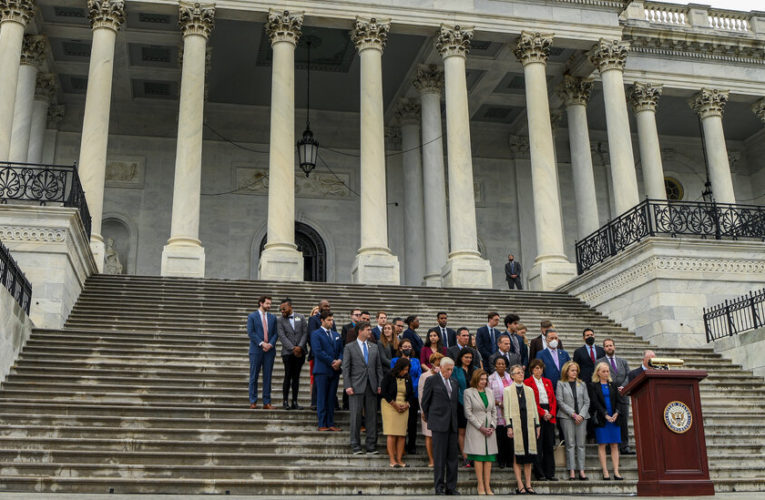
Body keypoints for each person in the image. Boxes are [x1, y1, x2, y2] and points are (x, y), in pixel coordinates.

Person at [342, 321, 383, 455]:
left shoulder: (374, 347)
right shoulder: (349, 347)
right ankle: (355, 445)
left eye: (370, 330)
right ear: (360, 331)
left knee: (372, 417)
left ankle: (371, 446)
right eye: (367, 330)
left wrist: (379, 384)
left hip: (371, 386)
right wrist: (347, 385)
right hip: (356, 386)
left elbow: (378, 368)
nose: (370, 332)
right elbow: (346, 368)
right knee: (356, 416)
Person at [422, 356, 460, 495]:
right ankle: (439, 486)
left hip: (452, 424)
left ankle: (451, 487)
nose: (450, 372)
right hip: (438, 423)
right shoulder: (432, 380)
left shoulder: (454, 382)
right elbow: (425, 401)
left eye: (452, 369)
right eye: (448, 369)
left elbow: (454, 403)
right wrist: (428, 416)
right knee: (439, 457)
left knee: (453, 458)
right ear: (441, 367)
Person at [504, 364, 540, 495]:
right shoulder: (507, 390)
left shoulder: (529, 390)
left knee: (529, 457)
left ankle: (529, 484)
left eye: (522, 372)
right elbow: (506, 410)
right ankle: (520, 484)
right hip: (516, 424)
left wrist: (537, 425)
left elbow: (535, 408)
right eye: (518, 373)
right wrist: (509, 426)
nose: (521, 374)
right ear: (512, 375)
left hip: (528, 423)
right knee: (517, 456)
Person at [464, 369, 498, 495]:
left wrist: (493, 425)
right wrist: (480, 427)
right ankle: (480, 485)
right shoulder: (468, 392)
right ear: (476, 379)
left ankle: (488, 485)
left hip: (490, 428)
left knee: (489, 458)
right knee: (478, 457)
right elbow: (468, 413)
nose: (484, 381)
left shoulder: (489, 392)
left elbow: (494, 410)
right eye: (481, 379)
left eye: (485, 379)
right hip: (476, 428)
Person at [597, 338, 633, 454]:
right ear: (604, 348)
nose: (609, 347)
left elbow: (628, 375)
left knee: (623, 421)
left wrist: (623, 386)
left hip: (623, 396)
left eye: (611, 345)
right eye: (607, 346)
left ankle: (624, 446)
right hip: (609, 397)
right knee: (610, 421)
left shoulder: (623, 361)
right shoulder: (599, 362)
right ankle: (609, 446)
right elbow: (598, 378)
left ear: (614, 347)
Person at [590, 361, 625, 480]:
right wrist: (605, 414)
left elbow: (620, 401)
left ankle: (616, 471)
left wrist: (616, 413)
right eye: (603, 371)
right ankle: (605, 471)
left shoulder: (613, 384)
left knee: (615, 445)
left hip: (614, 418)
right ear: (598, 373)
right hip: (602, 418)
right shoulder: (594, 385)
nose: (606, 373)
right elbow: (594, 402)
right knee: (602, 444)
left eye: (607, 371)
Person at [556, 360, 590, 480]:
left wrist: (580, 415)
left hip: (582, 418)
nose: (575, 372)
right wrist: (573, 414)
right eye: (572, 370)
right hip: (566, 417)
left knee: (581, 445)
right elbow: (560, 401)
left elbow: (587, 401)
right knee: (570, 444)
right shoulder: (561, 384)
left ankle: (581, 470)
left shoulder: (582, 384)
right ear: (566, 371)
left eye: (576, 370)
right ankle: (571, 471)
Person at [525, 358, 557, 481]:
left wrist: (551, 413)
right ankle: (540, 473)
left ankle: (550, 472)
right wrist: (543, 412)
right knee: (538, 444)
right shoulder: (528, 382)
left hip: (549, 413)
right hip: (537, 413)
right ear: (532, 370)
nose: (539, 370)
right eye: (536, 368)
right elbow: (531, 400)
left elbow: (553, 399)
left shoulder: (547, 381)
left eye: (541, 368)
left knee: (548, 444)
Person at [311, 310, 343, 431]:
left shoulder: (336, 335)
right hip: (322, 371)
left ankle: (330, 423)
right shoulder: (316, 334)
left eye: (332, 320)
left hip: (334, 371)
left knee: (331, 398)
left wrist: (339, 360)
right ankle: (322, 423)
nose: (331, 322)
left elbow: (341, 350)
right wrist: (332, 362)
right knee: (322, 397)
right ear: (322, 321)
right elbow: (318, 352)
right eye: (329, 320)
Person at [391, 339, 422, 455]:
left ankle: (412, 445)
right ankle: (400, 446)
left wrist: (412, 387)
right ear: (400, 348)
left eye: (409, 347)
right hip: (400, 393)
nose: (407, 348)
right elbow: (394, 374)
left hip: (413, 394)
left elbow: (419, 375)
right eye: (405, 347)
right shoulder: (395, 360)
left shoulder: (416, 361)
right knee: (400, 421)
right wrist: (405, 386)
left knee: (412, 421)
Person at [276, 298, 308, 410]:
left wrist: (300, 347)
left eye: (284, 309)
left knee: (296, 377)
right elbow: (282, 336)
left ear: (290, 307)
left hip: (300, 352)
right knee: (287, 376)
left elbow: (305, 333)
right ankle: (285, 401)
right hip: (288, 353)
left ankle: (295, 401)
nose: (282, 311)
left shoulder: (301, 317)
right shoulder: (280, 320)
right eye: (280, 310)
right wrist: (293, 348)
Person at [247, 295, 278, 409]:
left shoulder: (273, 317)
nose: (269, 306)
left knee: (267, 376)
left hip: (269, 351)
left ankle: (267, 402)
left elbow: (276, 333)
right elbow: (251, 332)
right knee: (254, 376)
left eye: (270, 304)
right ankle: (253, 401)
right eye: (267, 304)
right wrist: (262, 343)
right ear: (261, 303)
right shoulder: (252, 316)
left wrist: (270, 344)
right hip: (256, 350)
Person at [381, 358, 413, 467]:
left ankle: (399, 459)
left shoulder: (408, 377)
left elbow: (411, 394)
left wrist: (407, 404)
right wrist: (394, 404)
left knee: (402, 434)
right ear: (399, 368)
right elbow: (384, 392)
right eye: (404, 370)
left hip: (403, 406)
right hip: (389, 405)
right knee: (392, 433)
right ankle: (392, 460)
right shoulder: (389, 375)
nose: (405, 372)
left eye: (407, 370)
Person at [308, 300, 335, 411]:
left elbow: (335, 336)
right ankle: (315, 402)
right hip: (317, 355)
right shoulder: (313, 319)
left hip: (330, 356)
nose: (327, 307)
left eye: (329, 306)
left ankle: (332, 403)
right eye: (325, 306)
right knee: (317, 379)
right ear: (319, 307)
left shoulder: (332, 320)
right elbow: (311, 336)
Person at [419, 352, 445, 467]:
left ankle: (439, 459)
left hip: (441, 411)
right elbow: (421, 395)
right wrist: (424, 411)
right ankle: (431, 460)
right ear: (432, 364)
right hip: (428, 410)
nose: (438, 365)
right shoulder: (425, 376)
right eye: (437, 363)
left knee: (439, 437)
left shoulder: (444, 375)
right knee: (429, 435)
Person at [487, 357, 513, 470]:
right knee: (501, 437)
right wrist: (498, 402)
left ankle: (510, 460)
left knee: (510, 437)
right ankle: (501, 461)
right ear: (495, 365)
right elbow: (488, 394)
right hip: (497, 410)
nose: (501, 365)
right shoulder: (491, 378)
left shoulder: (510, 377)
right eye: (499, 363)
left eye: (503, 364)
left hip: (510, 410)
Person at [452, 348, 475, 466]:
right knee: (462, 431)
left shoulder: (475, 370)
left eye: (470, 358)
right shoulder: (456, 369)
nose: (468, 360)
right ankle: (465, 457)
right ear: (461, 357)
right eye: (466, 357)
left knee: (472, 432)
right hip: (460, 403)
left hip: (474, 404)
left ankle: (473, 455)